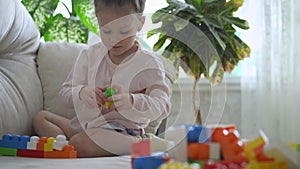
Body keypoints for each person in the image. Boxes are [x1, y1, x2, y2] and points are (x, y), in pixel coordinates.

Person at [33, 0, 174, 157]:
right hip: (83, 126)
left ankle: (144, 145)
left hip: (121, 132)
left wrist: (132, 101)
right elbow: (65, 93)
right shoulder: (89, 55)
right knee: (41, 119)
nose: (114, 39)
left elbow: (163, 105)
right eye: (106, 31)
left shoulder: (149, 64)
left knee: (79, 143)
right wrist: (81, 92)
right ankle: (70, 146)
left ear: (140, 24)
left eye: (123, 32)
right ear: (98, 22)